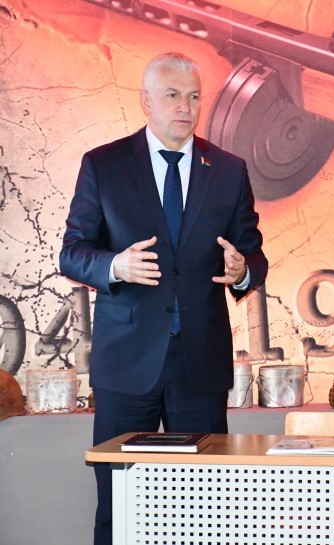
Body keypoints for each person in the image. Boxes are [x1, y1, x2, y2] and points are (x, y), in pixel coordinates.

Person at [59, 52, 268, 545]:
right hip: (127, 363)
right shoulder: (104, 165)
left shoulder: (229, 170)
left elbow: (252, 253)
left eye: (194, 96)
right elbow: (73, 253)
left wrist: (242, 272)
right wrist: (116, 265)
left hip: (200, 364)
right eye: (172, 95)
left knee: (204, 510)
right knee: (119, 504)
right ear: (146, 101)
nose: (185, 107)